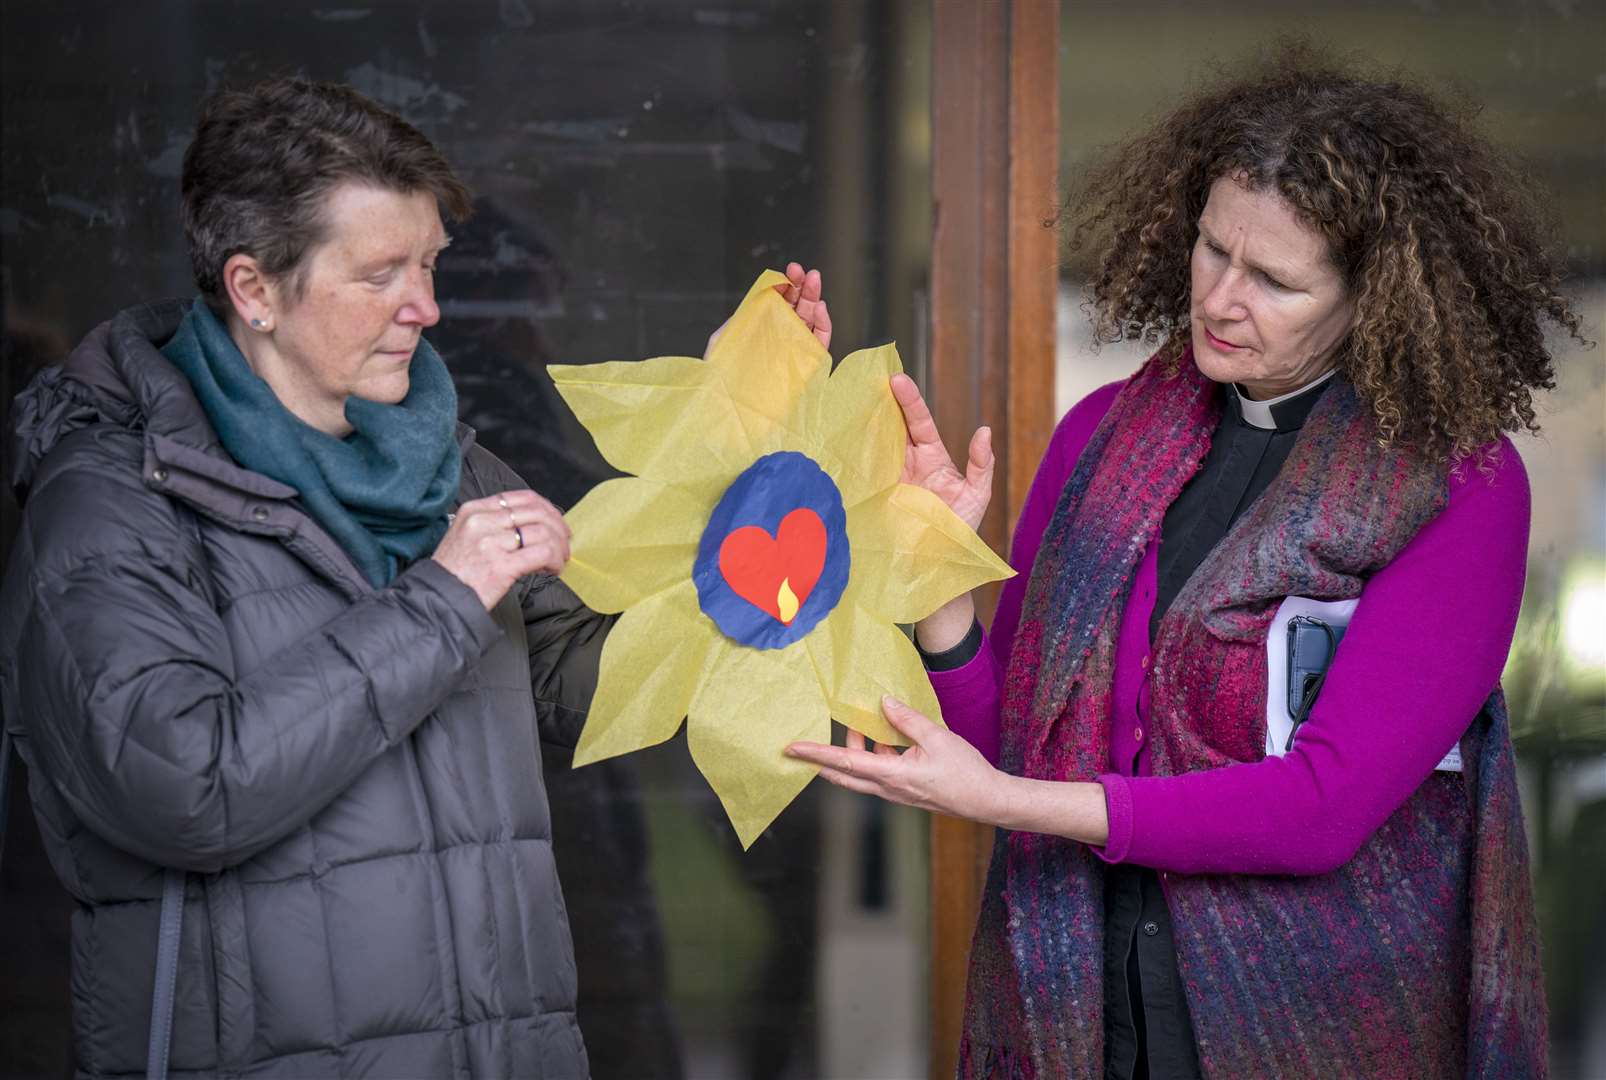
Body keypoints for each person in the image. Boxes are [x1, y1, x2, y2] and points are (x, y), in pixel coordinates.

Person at [0, 77, 830, 1078]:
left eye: (430, 264)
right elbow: (184, 787)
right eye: (381, 272)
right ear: (254, 288)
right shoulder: (110, 502)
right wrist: (440, 599)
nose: (427, 308)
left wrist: (737, 456)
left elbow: (591, 687)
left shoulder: (452, 464)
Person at [788, 49, 1585, 1079]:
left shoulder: (1458, 486)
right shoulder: (1098, 440)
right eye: (1211, 250)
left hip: (1320, 1029)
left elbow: (1319, 809)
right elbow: (1012, 746)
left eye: (1273, 280)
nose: (1217, 297)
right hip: (1083, 1013)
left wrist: (1005, 805)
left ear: (1374, 296)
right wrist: (936, 583)